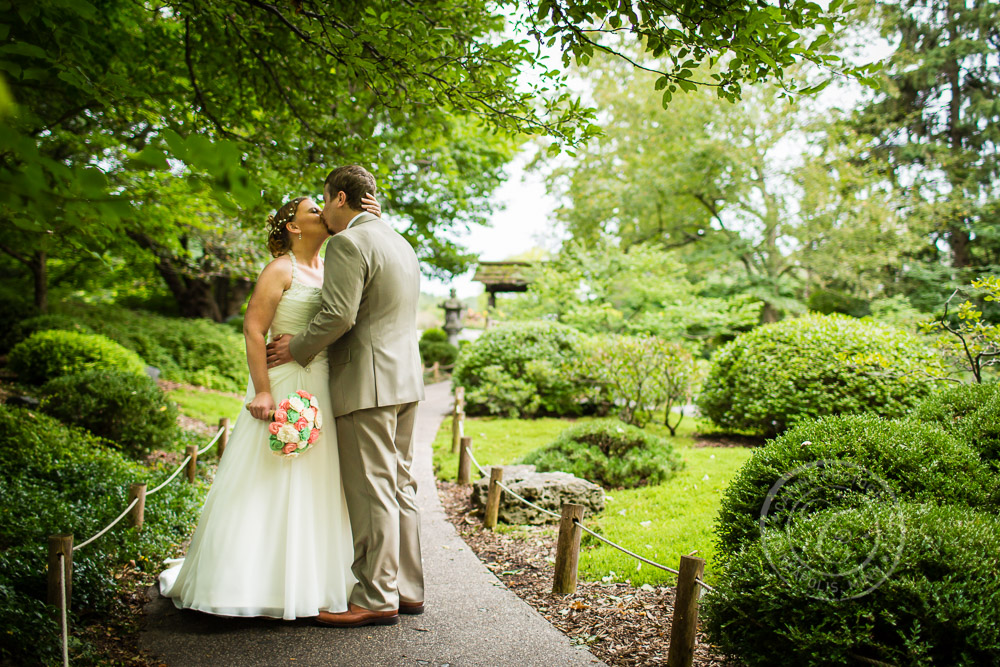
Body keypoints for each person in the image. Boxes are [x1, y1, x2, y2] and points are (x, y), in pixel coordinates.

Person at [158, 192, 381, 619]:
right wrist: (262, 391)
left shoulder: (334, 262)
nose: (322, 213)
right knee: (266, 478)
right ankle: (245, 581)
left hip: (322, 385)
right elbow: (253, 329)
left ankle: (309, 581)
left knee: (317, 482)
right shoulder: (281, 269)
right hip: (282, 384)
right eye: (313, 210)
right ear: (294, 227)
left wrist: (369, 218)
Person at [266, 165, 426, 628]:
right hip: (405, 381)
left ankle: (377, 597)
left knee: (373, 489)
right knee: (400, 485)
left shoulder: (347, 244)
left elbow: (338, 315)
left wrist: (294, 349)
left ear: (340, 198)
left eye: (324, 201)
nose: (323, 213)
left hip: (367, 382)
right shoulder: (399, 242)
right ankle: (408, 590)